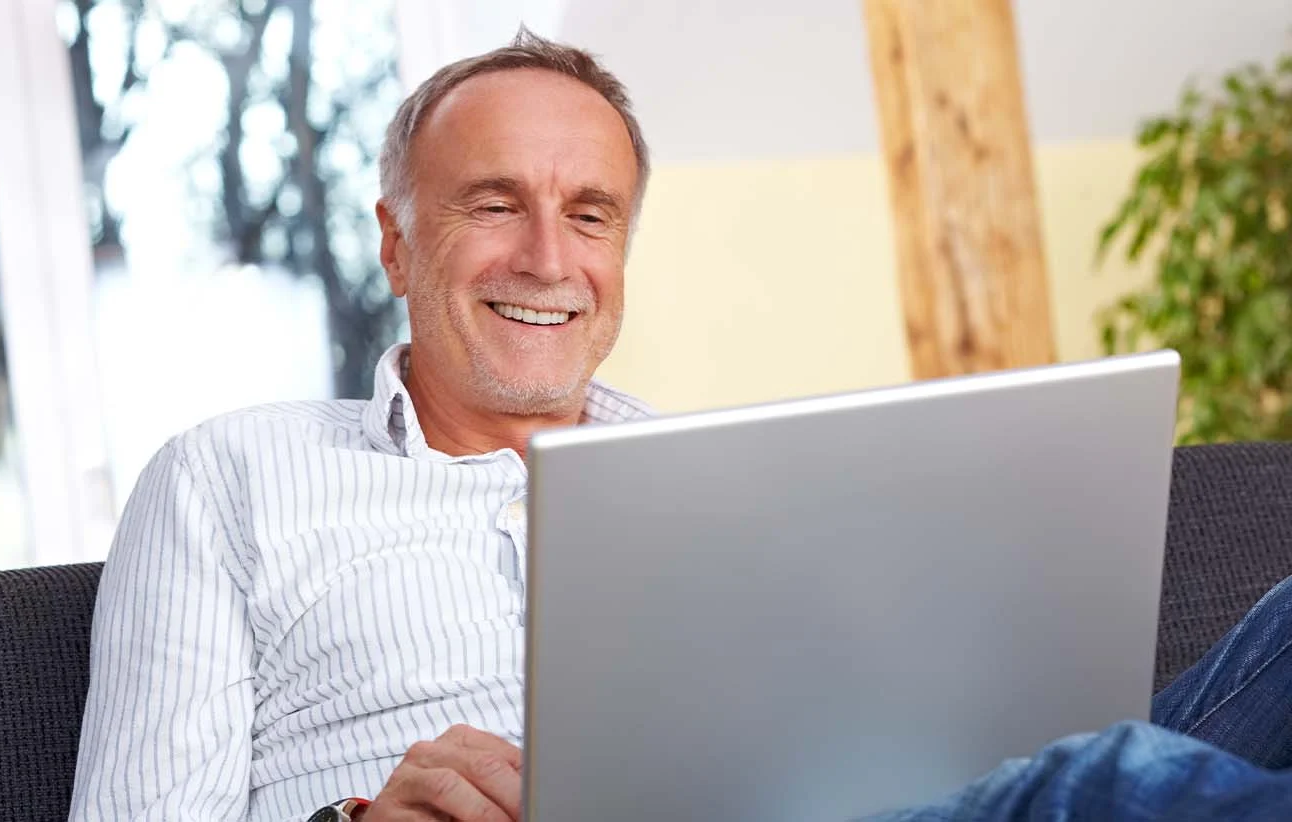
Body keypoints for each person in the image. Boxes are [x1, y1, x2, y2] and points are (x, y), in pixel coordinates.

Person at [68, 30, 1292, 822]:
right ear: (394, 242)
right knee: (1117, 783)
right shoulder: (227, 479)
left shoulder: (729, 475)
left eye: (591, 215)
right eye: (493, 204)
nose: (549, 259)